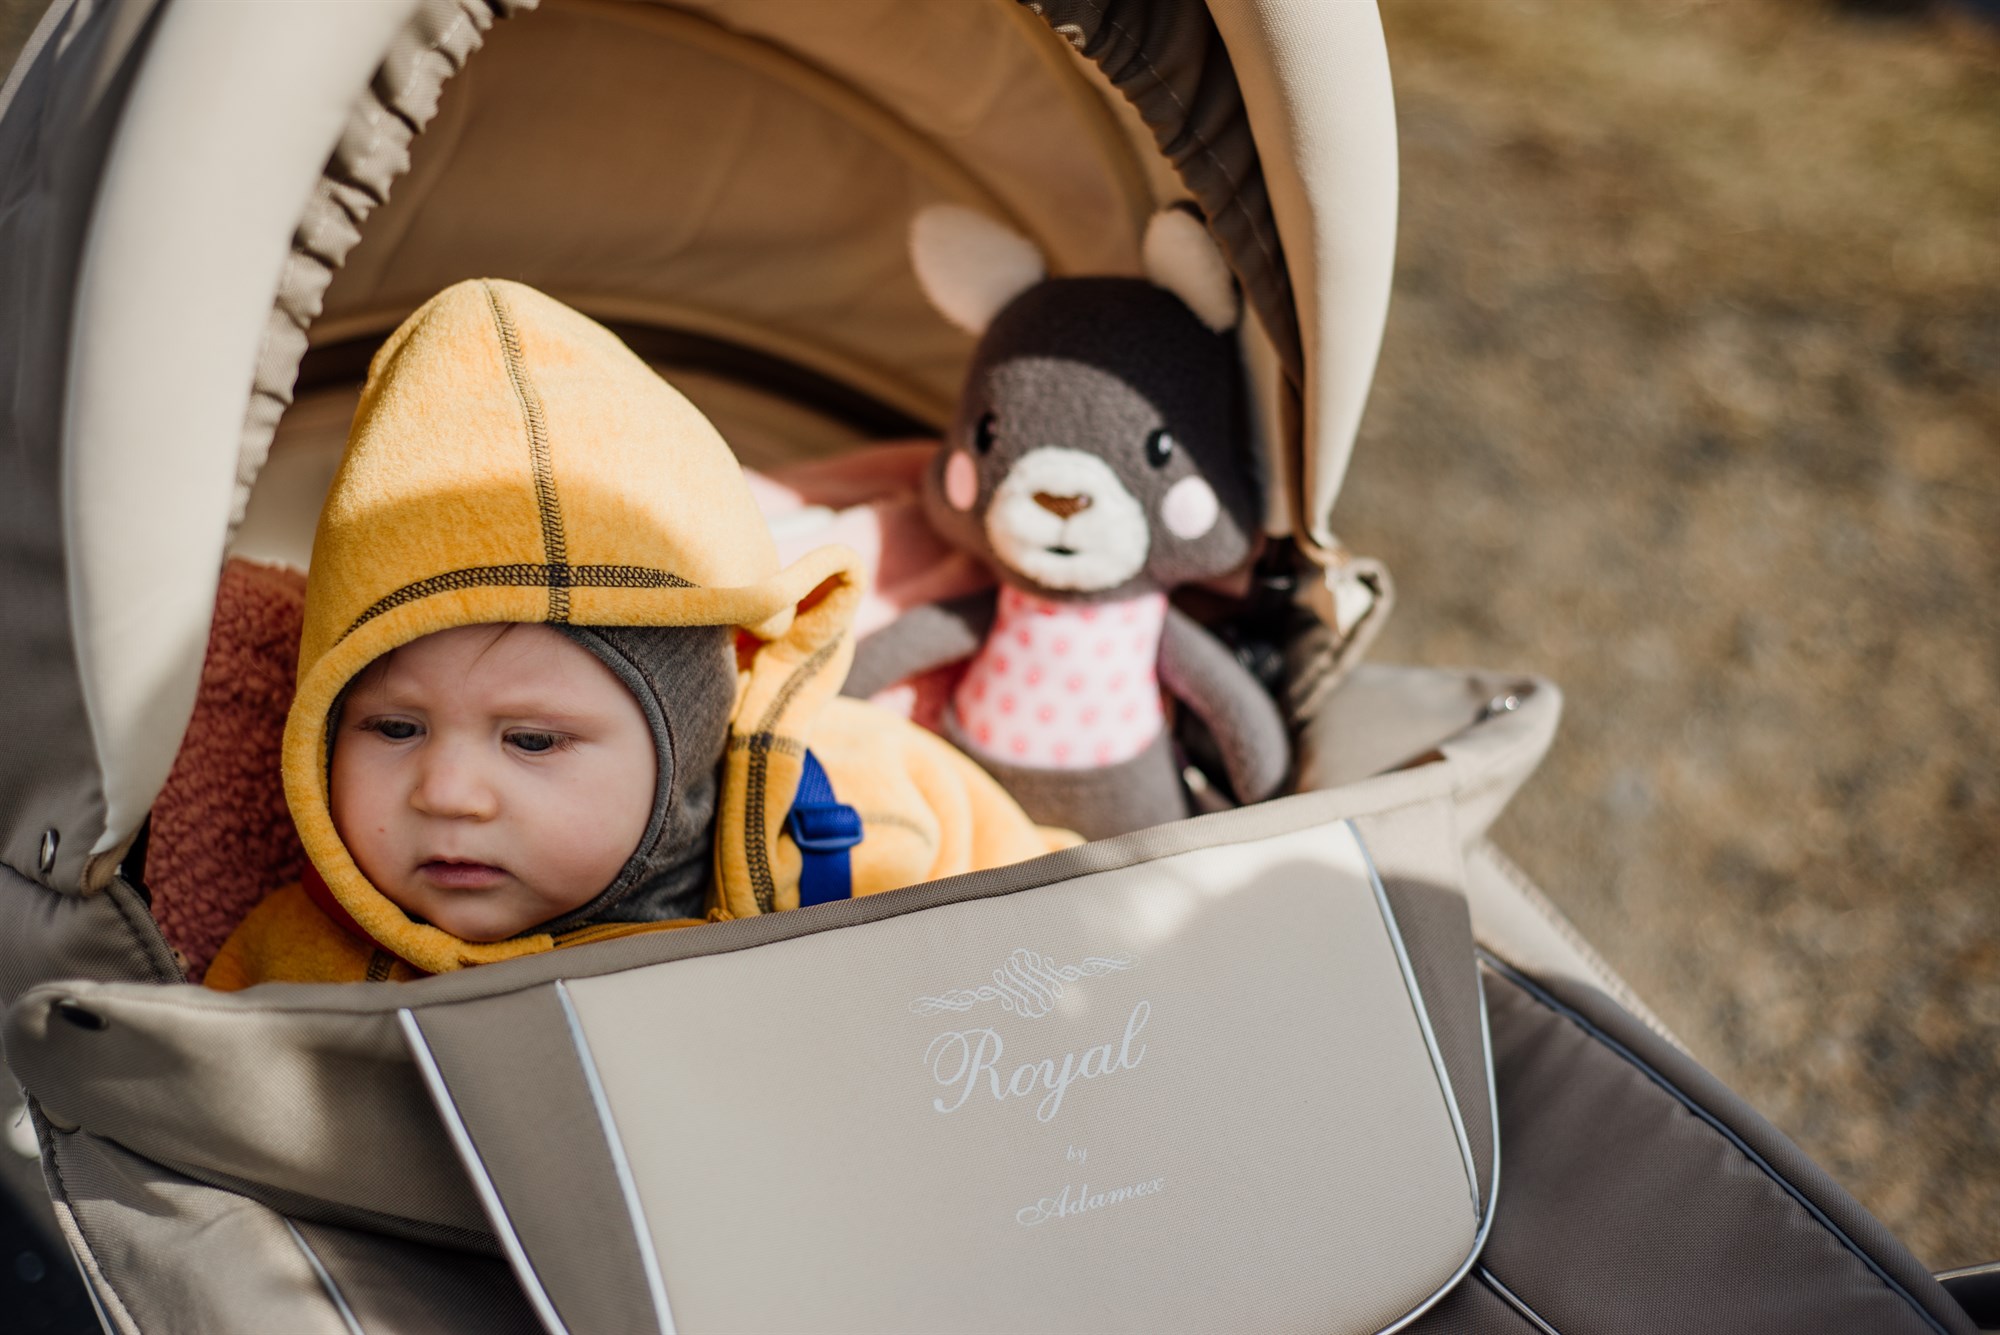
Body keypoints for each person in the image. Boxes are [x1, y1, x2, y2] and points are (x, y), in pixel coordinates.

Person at [206, 279, 1071, 988]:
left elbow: (1075, 929)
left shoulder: (863, 807)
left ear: (686, 728)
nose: (450, 792)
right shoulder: (299, 971)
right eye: (394, 727)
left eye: (534, 739)